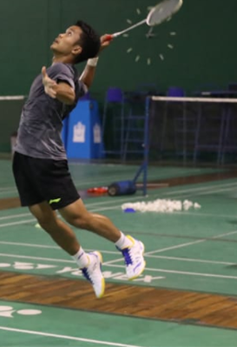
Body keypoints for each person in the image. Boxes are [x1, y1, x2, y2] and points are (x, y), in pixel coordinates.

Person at [12, 21, 146, 299]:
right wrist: (95, 58)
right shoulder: (66, 71)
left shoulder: (60, 71)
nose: (61, 33)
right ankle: (86, 261)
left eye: (69, 33)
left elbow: (70, 92)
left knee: (77, 217)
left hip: (46, 159)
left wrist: (54, 88)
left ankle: (128, 244)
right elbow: (82, 87)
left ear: (75, 49)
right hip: (25, 157)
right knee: (46, 220)